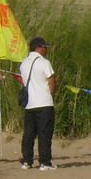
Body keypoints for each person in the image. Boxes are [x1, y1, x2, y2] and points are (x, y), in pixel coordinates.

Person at [20, 36, 58, 171]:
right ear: (39, 48)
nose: (46, 50)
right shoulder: (44, 62)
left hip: (30, 104)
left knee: (29, 134)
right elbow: (52, 80)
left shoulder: (23, 63)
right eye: (45, 47)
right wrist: (51, 94)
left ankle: (27, 161)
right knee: (44, 134)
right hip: (44, 102)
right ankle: (45, 162)